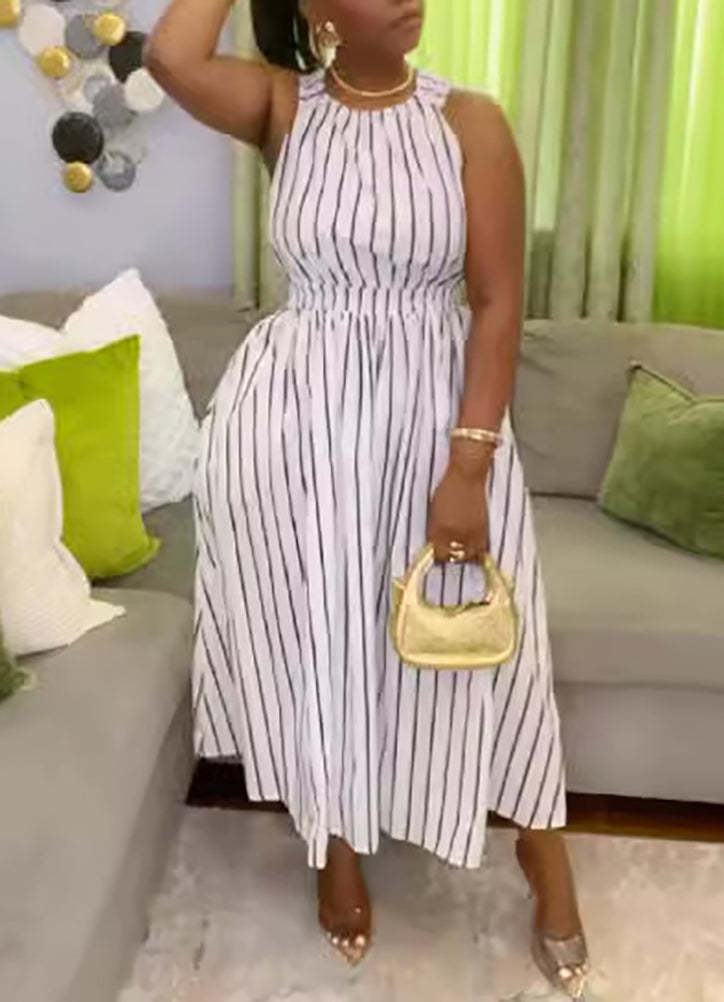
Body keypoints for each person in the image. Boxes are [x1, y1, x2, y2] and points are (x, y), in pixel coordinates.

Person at [144, 0, 590, 994]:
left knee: (497, 651)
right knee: (324, 642)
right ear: (317, 9)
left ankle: (543, 847)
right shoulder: (282, 108)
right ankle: (336, 847)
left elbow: (497, 305)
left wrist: (467, 467)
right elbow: (171, 55)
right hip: (294, 436)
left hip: (434, 425)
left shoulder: (469, 121)